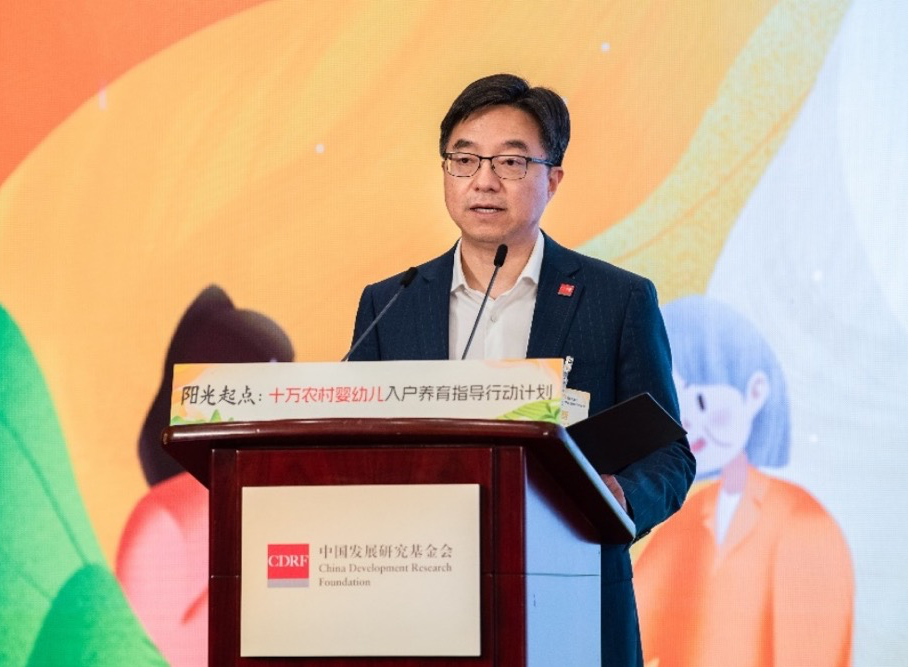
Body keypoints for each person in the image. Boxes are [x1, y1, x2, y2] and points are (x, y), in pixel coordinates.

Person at [347, 73, 695, 667]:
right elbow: (352, 447)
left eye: (510, 162)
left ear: (552, 178)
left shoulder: (616, 300)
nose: (483, 181)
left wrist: (619, 497)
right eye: (464, 160)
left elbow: (670, 455)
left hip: (572, 597)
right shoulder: (392, 304)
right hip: (419, 600)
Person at [634, 295, 854, 667]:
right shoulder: (684, 519)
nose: (691, 426)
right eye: (678, 409)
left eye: (702, 403)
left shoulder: (804, 522)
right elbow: (632, 625)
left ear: (755, 392)